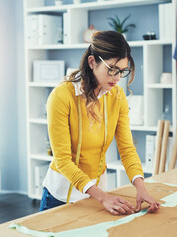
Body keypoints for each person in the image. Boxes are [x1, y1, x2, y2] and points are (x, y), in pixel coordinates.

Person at [40, 31, 160, 215]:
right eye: (112, 69)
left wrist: (141, 187)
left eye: (122, 71)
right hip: (61, 196)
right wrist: (103, 197)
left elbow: (127, 148)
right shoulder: (62, 96)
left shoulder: (117, 96)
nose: (118, 78)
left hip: (96, 195)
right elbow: (63, 160)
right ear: (92, 62)